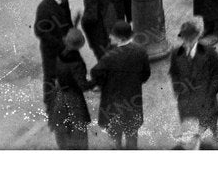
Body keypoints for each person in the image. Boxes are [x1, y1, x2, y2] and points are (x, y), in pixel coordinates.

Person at [88, 17, 150, 149]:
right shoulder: (141, 52)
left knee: (115, 139)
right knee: (132, 136)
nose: (110, 37)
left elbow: (95, 73)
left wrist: (101, 84)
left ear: (121, 38)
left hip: (113, 107)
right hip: (133, 104)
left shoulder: (110, 57)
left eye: (113, 35)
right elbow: (145, 75)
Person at [168, 18, 218, 143]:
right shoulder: (176, 53)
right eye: (184, 39)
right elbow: (174, 73)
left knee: (209, 120)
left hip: (206, 96)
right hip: (186, 97)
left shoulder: (209, 53)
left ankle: (215, 132)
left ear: (197, 37)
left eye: (190, 38)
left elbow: (217, 73)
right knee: (189, 123)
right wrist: (177, 89)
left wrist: (211, 92)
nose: (187, 42)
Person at [47, 28, 93, 149]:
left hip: (58, 96)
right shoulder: (77, 62)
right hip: (74, 98)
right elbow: (82, 85)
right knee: (79, 134)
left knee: (61, 131)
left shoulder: (59, 53)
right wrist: (94, 83)